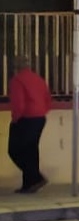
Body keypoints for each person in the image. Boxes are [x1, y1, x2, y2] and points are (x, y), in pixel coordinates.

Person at [6, 55, 51, 193]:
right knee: (30, 151)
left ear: (15, 67)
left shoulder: (17, 80)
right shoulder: (38, 79)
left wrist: (15, 119)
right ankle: (29, 184)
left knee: (14, 150)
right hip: (39, 118)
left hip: (25, 118)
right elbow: (48, 100)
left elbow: (19, 104)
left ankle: (35, 178)